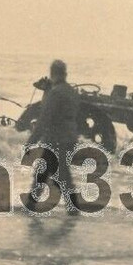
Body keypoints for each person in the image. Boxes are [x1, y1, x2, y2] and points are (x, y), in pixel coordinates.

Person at [28, 59, 81, 213]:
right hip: (70, 137)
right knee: (56, 173)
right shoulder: (71, 91)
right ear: (65, 74)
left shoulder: (55, 93)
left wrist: (31, 141)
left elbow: (45, 117)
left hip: (56, 138)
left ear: (52, 73)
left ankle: (33, 205)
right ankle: (33, 204)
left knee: (50, 173)